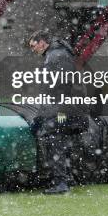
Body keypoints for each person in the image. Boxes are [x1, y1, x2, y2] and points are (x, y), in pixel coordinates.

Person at [27, 29, 88, 194]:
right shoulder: (58, 54)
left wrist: (59, 111)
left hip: (61, 108)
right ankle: (67, 179)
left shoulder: (56, 56)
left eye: (33, 45)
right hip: (69, 107)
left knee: (55, 143)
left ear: (42, 42)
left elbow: (60, 87)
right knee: (62, 143)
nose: (33, 49)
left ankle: (61, 183)